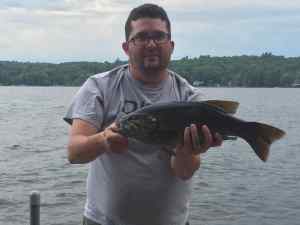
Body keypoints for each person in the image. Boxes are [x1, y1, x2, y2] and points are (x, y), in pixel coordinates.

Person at [64, 3, 223, 225]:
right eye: (141, 37)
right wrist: (104, 140)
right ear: (126, 47)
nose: (151, 44)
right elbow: (74, 153)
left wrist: (189, 150)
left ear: (171, 45)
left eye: (159, 36)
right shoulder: (99, 87)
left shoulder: (189, 97)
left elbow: (184, 172)